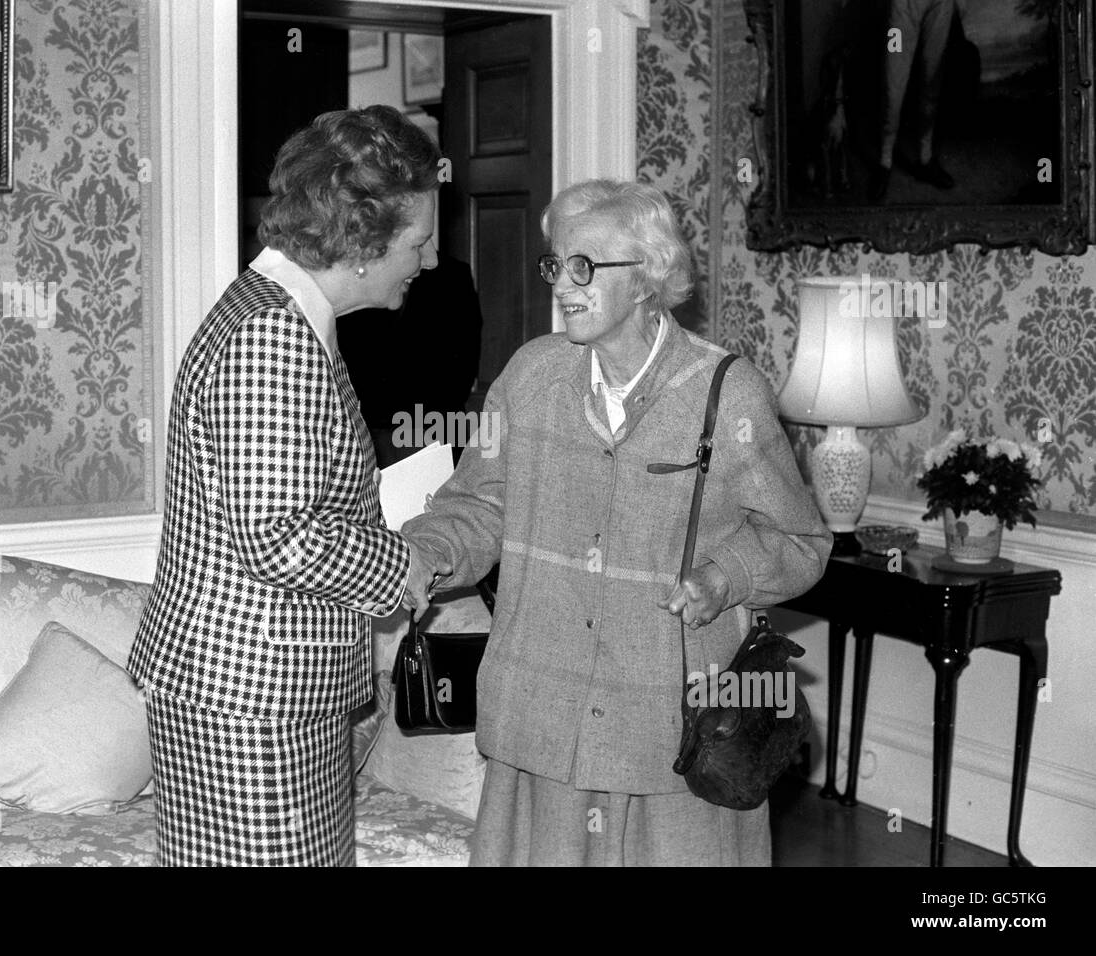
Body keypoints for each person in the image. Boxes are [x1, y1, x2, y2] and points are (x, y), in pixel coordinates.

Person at [401, 179, 832, 866]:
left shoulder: (727, 391)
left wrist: (725, 578)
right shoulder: (531, 377)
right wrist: (421, 553)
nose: (563, 285)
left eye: (585, 267)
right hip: (541, 713)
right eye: (556, 264)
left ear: (647, 278)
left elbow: (799, 541)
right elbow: (478, 504)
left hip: (670, 729)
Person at [128, 105, 449, 867]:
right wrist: (397, 564)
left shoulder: (275, 313)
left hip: (251, 688)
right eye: (420, 240)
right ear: (363, 242)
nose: (430, 261)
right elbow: (280, 538)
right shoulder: (274, 335)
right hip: (252, 697)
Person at [337, 249, 484, 467]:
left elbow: (465, 359)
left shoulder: (450, 273)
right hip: (370, 425)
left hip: (432, 424)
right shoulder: (358, 271)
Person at [871, 0, 956, 200]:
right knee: (893, 85)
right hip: (902, 7)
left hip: (939, 6)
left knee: (932, 80)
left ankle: (925, 159)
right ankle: (884, 161)